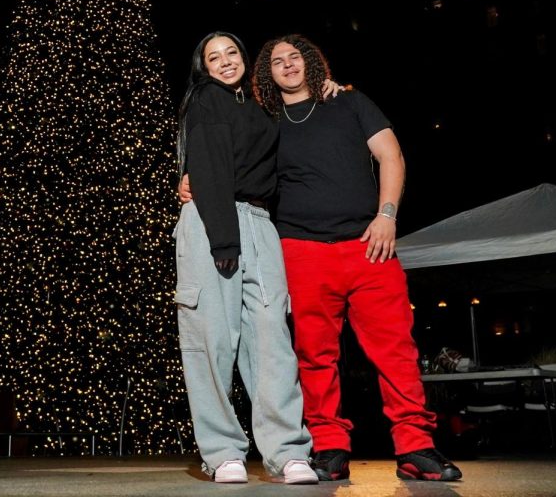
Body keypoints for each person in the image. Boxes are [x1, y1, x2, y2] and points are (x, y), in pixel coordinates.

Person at [181, 33, 461, 482]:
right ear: (265, 76)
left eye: (296, 57)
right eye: (277, 61)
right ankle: (328, 447)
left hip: (367, 244)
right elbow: (226, 153)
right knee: (311, 356)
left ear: (312, 63)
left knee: (395, 351)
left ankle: (416, 447)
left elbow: (391, 154)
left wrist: (387, 215)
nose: (288, 64)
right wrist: (192, 177)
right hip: (300, 249)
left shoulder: (348, 102)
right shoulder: (267, 117)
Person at [174, 31, 317, 485]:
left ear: (243, 58)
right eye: (213, 57)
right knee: (213, 338)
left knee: (272, 339)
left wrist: (330, 88)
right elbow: (211, 168)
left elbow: (298, 117)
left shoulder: (258, 108)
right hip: (214, 221)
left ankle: (287, 451)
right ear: (204, 67)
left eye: (231, 52)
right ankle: (222, 452)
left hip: (258, 221)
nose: (225, 61)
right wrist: (222, 240)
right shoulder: (206, 100)